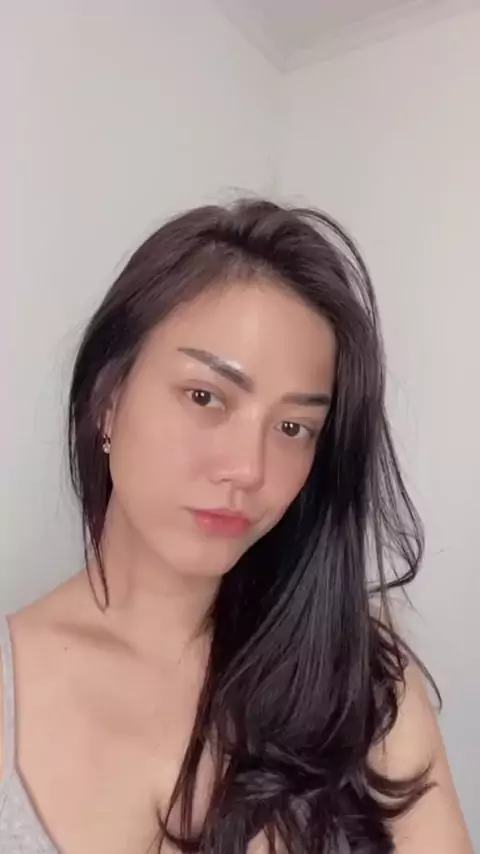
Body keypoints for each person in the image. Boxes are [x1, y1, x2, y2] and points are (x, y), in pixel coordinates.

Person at [0, 199, 472, 854]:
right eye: (205, 397)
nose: (249, 468)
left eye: (293, 427)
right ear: (108, 399)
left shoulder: (361, 688)